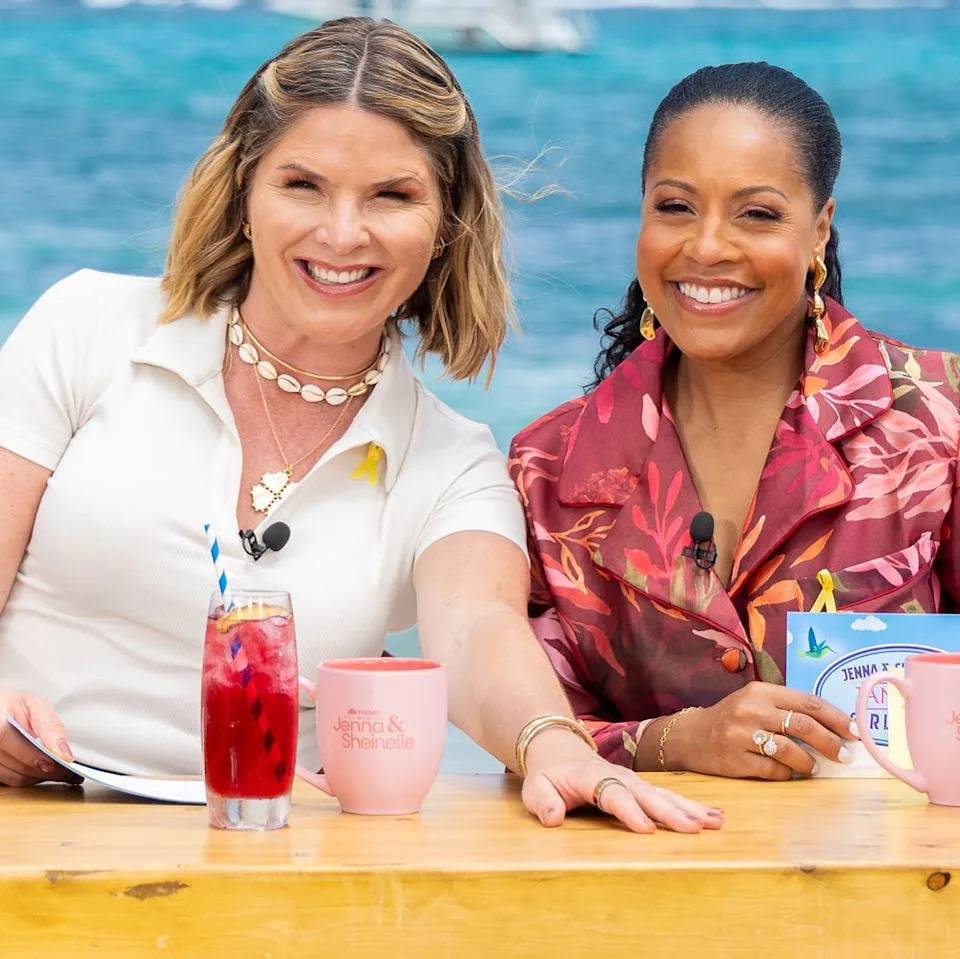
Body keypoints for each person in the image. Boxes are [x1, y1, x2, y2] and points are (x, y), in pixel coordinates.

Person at [0, 18, 721, 834]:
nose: (342, 233)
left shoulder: (451, 461)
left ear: (446, 223)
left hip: (260, 865)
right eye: (302, 185)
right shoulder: (87, 325)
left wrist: (555, 746)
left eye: (392, 195)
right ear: (243, 194)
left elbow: (478, 632)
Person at [510, 62, 960, 780]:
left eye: (757, 213)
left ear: (820, 230)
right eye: (676, 207)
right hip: (645, 884)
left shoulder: (937, 420)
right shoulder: (547, 468)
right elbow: (530, 735)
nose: (708, 246)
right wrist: (677, 741)